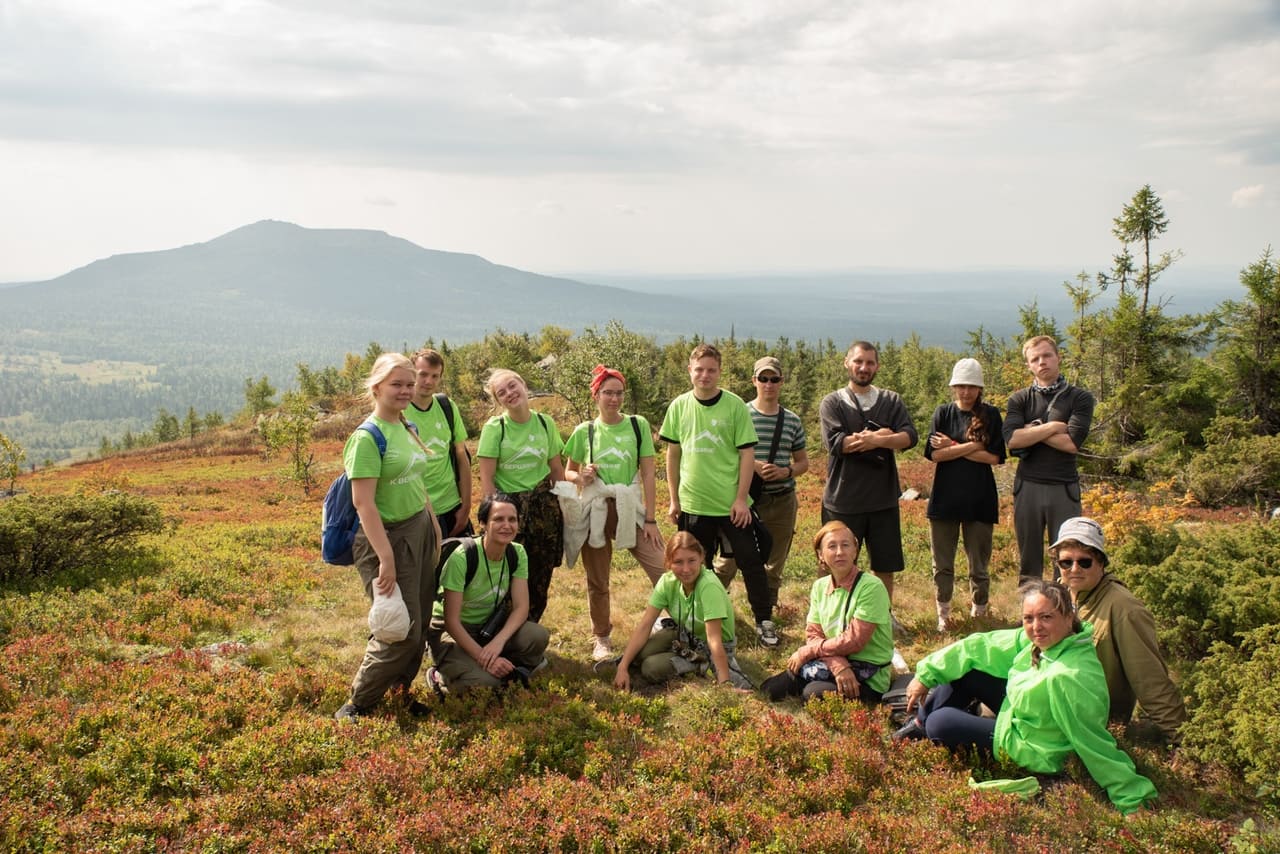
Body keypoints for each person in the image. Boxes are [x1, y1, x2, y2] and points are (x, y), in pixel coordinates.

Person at [895, 580, 1158, 816]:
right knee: (967, 670)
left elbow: (1092, 741)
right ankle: (918, 725)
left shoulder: (1070, 676)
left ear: (1069, 618)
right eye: (1028, 618)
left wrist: (1132, 797)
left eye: (1046, 617)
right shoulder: (1044, 640)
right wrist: (925, 675)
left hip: (1034, 747)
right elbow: (980, 646)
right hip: (1023, 714)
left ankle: (924, 726)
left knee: (940, 722)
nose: (1036, 627)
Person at [335, 353, 442, 720]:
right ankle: (358, 702)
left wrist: (432, 524)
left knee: (420, 620)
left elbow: (416, 480)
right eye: (397, 384)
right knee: (399, 628)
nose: (406, 390)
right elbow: (363, 504)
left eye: (410, 384)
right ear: (376, 387)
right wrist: (386, 558)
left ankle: (399, 692)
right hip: (385, 538)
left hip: (418, 529)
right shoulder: (367, 438)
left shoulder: (407, 426)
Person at [660, 344, 778, 647]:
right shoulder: (679, 406)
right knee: (694, 565)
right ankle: (696, 619)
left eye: (711, 370)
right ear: (690, 370)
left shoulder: (735, 405)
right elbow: (673, 454)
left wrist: (741, 499)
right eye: (699, 369)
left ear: (719, 372)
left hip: (731, 505)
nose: (705, 375)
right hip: (693, 503)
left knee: (751, 561)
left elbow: (747, 454)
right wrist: (674, 499)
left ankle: (764, 619)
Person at [1052, 517, 1187, 744]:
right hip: (1055, 702)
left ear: (1101, 563)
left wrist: (1182, 740)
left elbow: (1150, 680)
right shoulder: (1062, 593)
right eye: (1066, 562)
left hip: (1089, 722)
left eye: (1084, 562)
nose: (1074, 569)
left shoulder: (1124, 609)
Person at [562, 365, 665, 662]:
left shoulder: (637, 425)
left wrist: (651, 519)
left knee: (662, 568)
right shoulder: (585, 431)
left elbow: (648, 473)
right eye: (608, 393)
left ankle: (667, 620)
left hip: (629, 507)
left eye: (619, 393)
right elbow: (568, 472)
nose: (614, 399)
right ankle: (602, 637)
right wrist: (582, 477)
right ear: (596, 395)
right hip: (595, 509)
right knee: (597, 580)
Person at [819, 341, 918, 604]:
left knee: (884, 564)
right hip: (843, 500)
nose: (864, 368)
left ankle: (882, 615)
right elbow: (837, 444)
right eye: (858, 361)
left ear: (877, 366)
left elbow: (909, 437)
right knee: (835, 562)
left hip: (883, 500)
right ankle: (832, 614)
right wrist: (883, 436)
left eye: (870, 363)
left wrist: (875, 440)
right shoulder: (832, 402)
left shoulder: (891, 400)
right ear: (847, 363)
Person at [714, 356, 809, 615]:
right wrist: (753, 465)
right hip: (744, 498)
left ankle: (766, 611)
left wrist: (785, 471)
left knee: (775, 561)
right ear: (754, 381)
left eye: (774, 379)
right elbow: (724, 453)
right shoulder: (739, 414)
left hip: (782, 499)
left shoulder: (792, 420)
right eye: (763, 378)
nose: (769, 384)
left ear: (781, 382)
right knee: (730, 558)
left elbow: (803, 462)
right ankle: (710, 604)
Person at [427, 494, 550, 693]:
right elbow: (451, 621)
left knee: (537, 636)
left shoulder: (517, 552)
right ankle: (439, 677)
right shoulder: (463, 557)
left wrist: (497, 643)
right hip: (452, 632)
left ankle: (502, 665)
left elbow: (521, 608)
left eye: (512, 519)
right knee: (487, 684)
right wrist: (482, 657)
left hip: (488, 627)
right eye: (498, 519)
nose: (507, 526)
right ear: (483, 523)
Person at [760, 521, 893, 704]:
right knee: (770, 690)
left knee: (813, 694)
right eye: (832, 546)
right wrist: (838, 665)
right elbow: (813, 633)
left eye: (845, 545)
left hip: (869, 674)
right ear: (821, 555)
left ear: (855, 551)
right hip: (831, 661)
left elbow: (855, 641)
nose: (839, 552)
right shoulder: (820, 586)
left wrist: (808, 651)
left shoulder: (871, 587)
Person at [476, 368, 566, 623]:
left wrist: (566, 506)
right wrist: (491, 518)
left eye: (512, 386)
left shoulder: (545, 423)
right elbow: (487, 479)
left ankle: (529, 630)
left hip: (544, 509)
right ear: (498, 401)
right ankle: (497, 631)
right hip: (509, 510)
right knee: (506, 572)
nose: (510, 393)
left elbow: (556, 469)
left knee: (540, 573)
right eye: (501, 392)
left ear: (524, 385)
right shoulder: (495, 428)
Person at [1003, 336, 1095, 582]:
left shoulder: (1080, 398)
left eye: (1047, 356)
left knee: (1066, 556)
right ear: (1028, 365)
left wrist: (1031, 430)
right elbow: (1012, 440)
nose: (1041, 362)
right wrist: (1053, 426)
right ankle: (1029, 604)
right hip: (1027, 487)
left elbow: (1071, 444)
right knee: (1028, 558)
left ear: (1058, 357)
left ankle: (1063, 603)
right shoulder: (1019, 399)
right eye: (1035, 359)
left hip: (1063, 488)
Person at [612, 532, 751, 690]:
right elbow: (645, 625)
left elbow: (714, 640)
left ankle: (700, 666)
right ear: (668, 562)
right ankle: (626, 664)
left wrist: (724, 684)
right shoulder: (667, 582)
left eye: (691, 560)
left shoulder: (709, 586)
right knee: (639, 654)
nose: (686, 569)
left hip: (710, 648)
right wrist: (622, 667)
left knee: (650, 667)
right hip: (686, 634)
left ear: (701, 558)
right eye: (678, 562)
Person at [924, 358, 1006, 630]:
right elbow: (935, 455)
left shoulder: (990, 415)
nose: (966, 392)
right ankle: (943, 614)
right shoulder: (943, 413)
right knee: (942, 564)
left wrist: (952, 446)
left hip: (980, 499)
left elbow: (995, 458)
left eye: (971, 386)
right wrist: (973, 446)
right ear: (953, 387)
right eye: (961, 386)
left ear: (979, 388)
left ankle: (979, 611)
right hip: (944, 500)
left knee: (979, 565)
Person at [405, 348, 473, 538]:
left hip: (452, 506)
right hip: (416, 511)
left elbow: (461, 455)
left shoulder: (447, 406)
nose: (429, 381)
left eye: (435, 376)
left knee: (460, 558)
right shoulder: (400, 412)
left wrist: (466, 505)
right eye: (423, 374)